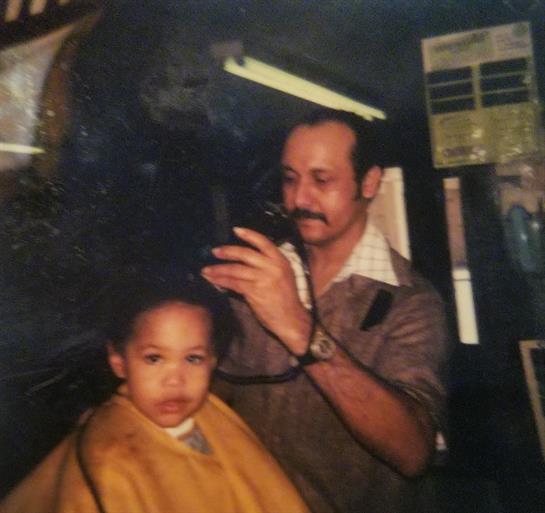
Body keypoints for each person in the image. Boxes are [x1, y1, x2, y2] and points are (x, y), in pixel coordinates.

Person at [201, 108, 449, 513]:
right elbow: (215, 395)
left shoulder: (411, 302)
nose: (299, 199)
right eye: (290, 179)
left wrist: (299, 327)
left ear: (368, 183)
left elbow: (413, 451)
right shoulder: (261, 275)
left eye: (322, 179)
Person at [0, 277, 310, 513]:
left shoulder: (213, 415)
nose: (175, 380)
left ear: (213, 361)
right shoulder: (109, 460)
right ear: (119, 360)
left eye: (193, 358)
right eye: (154, 358)